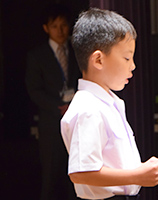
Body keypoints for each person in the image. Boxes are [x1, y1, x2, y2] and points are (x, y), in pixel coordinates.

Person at [60, 8, 158, 200]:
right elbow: (81, 172)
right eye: (127, 58)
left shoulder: (108, 102)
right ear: (98, 60)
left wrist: (141, 171)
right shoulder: (88, 108)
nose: (133, 66)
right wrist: (138, 175)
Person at [25, 4, 81, 200]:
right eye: (54, 26)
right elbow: (34, 90)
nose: (60, 30)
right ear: (46, 28)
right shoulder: (37, 56)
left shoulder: (76, 52)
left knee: (75, 174)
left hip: (76, 120)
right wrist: (59, 107)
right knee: (50, 175)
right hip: (50, 122)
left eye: (63, 25)